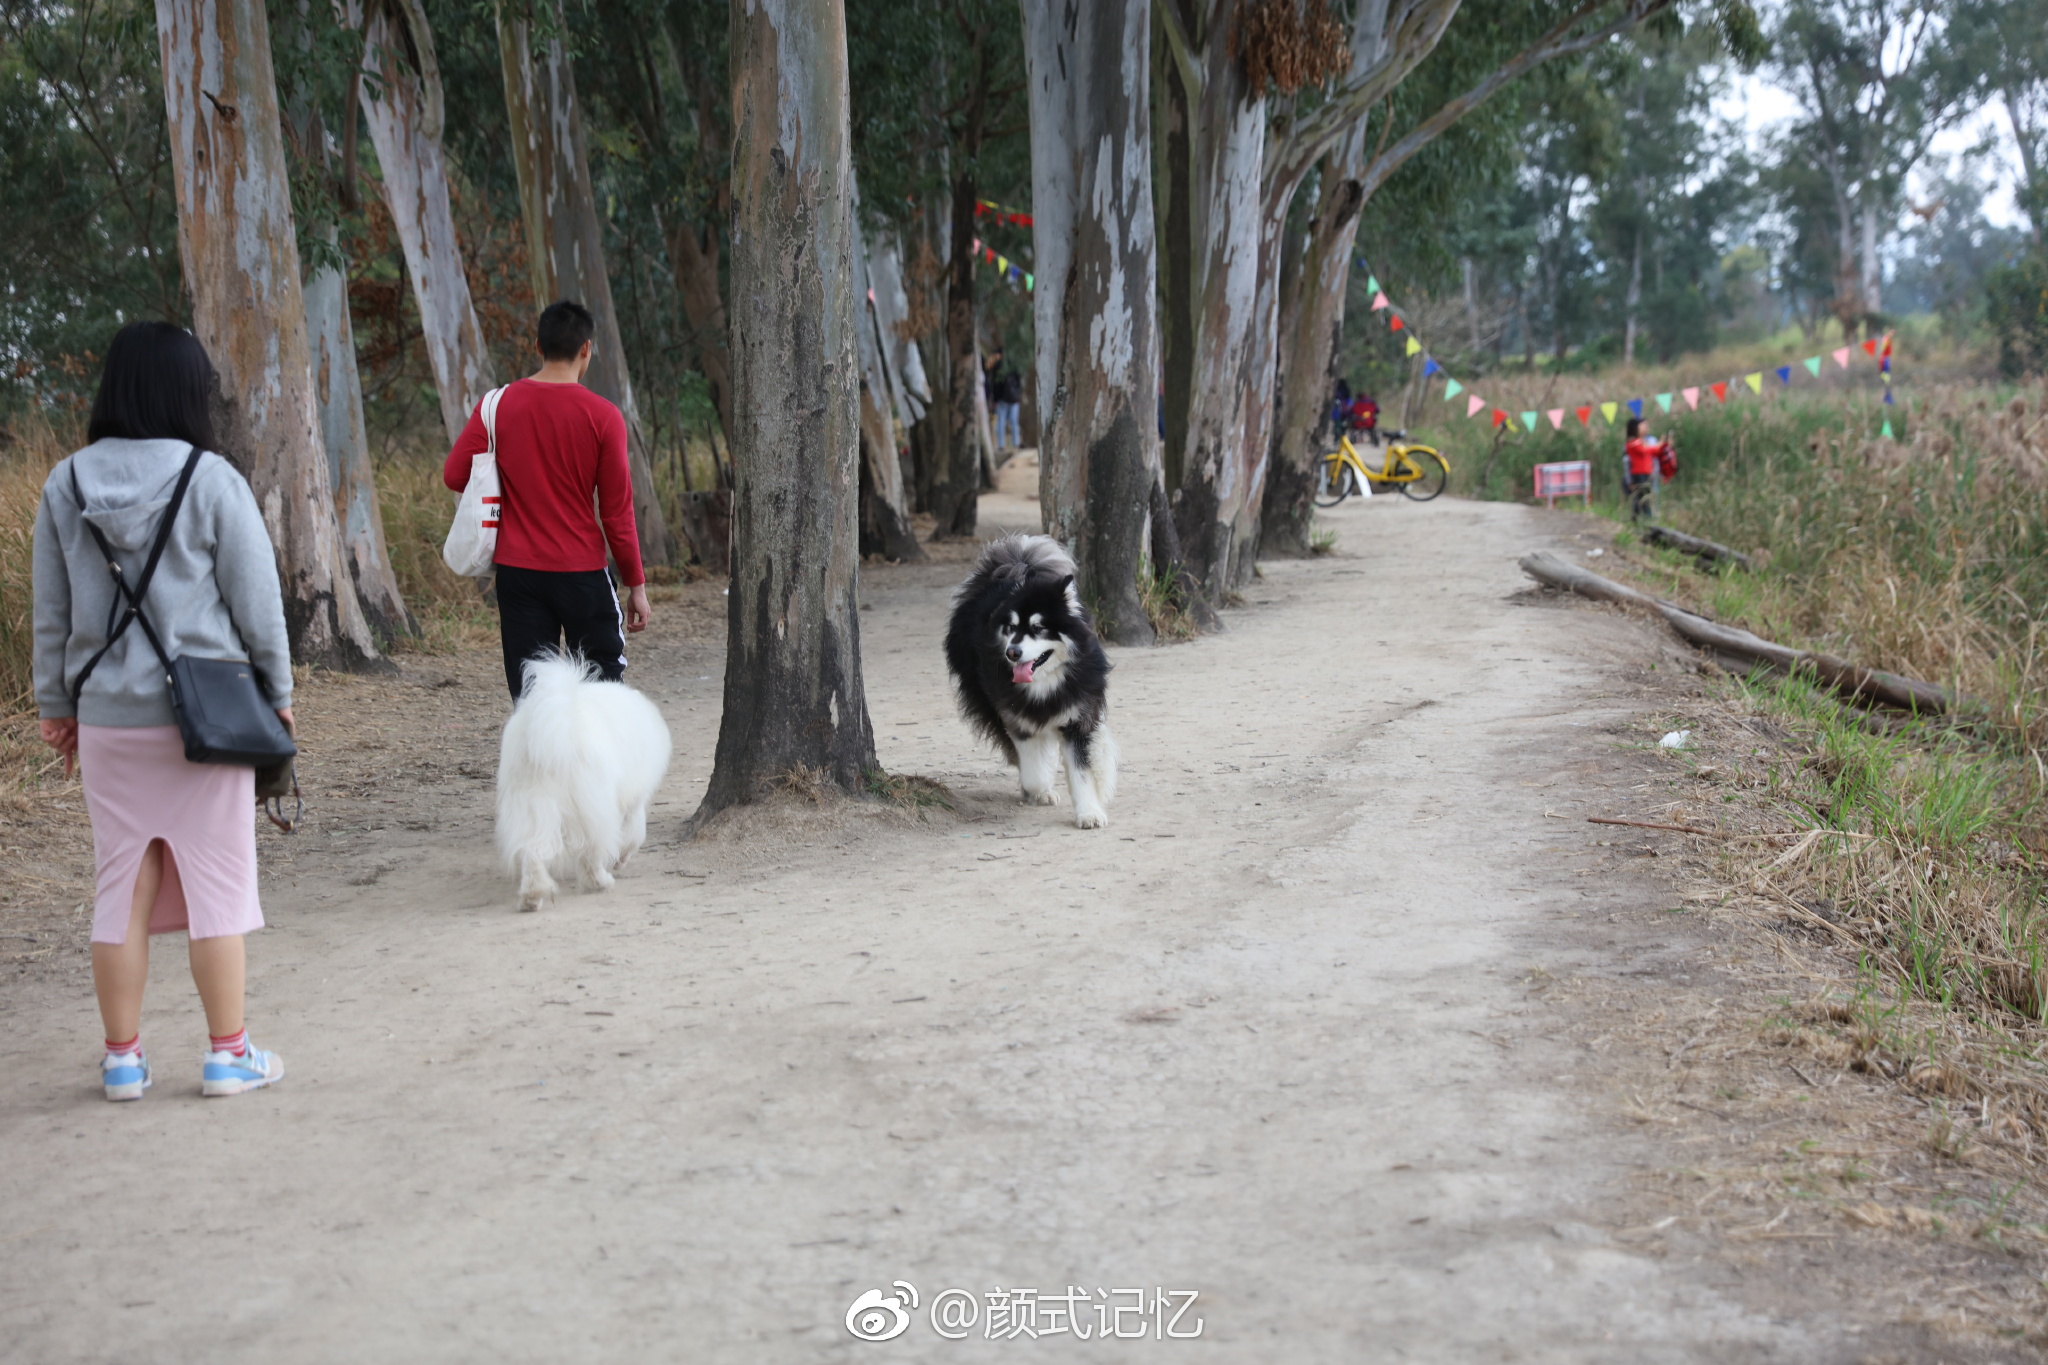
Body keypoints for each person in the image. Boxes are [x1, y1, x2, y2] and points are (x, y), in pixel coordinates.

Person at [34, 321, 292, 1102]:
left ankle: (121, 1060)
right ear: (185, 391)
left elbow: (52, 613)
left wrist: (58, 706)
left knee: (122, 883)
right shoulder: (210, 478)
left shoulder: (64, 484)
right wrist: (277, 694)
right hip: (203, 720)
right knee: (217, 882)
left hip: (108, 718)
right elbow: (259, 603)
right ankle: (227, 1054)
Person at [444, 300, 652, 700]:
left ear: (537, 346)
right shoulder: (604, 416)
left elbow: (454, 475)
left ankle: (539, 764)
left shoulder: (496, 405)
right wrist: (636, 584)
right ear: (586, 349)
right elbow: (616, 513)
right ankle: (594, 765)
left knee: (531, 694)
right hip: (582, 574)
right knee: (602, 688)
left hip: (518, 574)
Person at [1623, 416, 1673, 521]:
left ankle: (1637, 519)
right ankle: (1647, 520)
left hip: (1647, 473)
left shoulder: (1643, 441)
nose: (1645, 428)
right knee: (1644, 498)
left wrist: (1665, 445)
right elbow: (1646, 450)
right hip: (1639, 474)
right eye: (1641, 426)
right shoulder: (1633, 442)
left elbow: (1654, 452)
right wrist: (1659, 444)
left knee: (1644, 497)